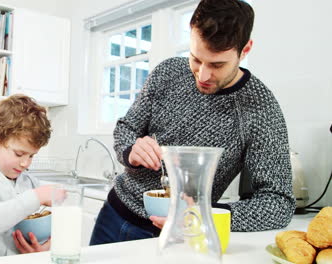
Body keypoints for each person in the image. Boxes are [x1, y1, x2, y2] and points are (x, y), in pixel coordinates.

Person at [90, 0, 295, 245]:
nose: (203, 75)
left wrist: (205, 215)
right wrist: (130, 150)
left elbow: (279, 203)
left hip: (183, 235)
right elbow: (127, 128)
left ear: (245, 49)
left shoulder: (260, 108)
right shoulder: (168, 72)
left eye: (217, 65)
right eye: (196, 59)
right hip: (114, 215)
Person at [0, 94, 64, 258]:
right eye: (19, 153)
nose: (26, 163)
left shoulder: (29, 182)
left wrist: (47, 247)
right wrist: (35, 197)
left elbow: (52, 228)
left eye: (31, 156)